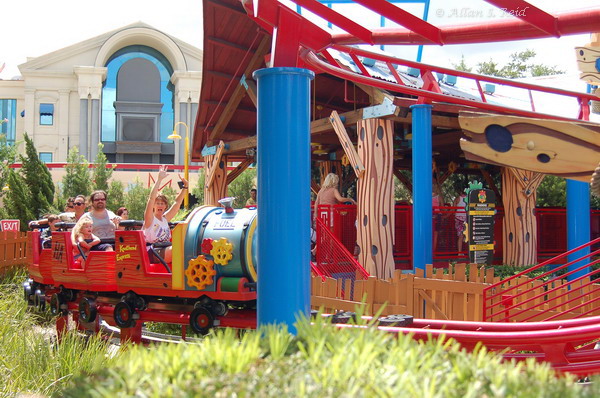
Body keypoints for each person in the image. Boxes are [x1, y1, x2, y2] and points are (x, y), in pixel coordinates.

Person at [142, 165, 188, 263]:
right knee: (176, 250)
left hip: (165, 248)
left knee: (187, 248)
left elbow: (177, 203)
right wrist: (159, 179)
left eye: (162, 204)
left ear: (165, 206)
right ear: (153, 205)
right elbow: (151, 198)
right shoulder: (150, 219)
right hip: (152, 250)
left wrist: (185, 187)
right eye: (158, 203)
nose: (160, 205)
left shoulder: (165, 219)